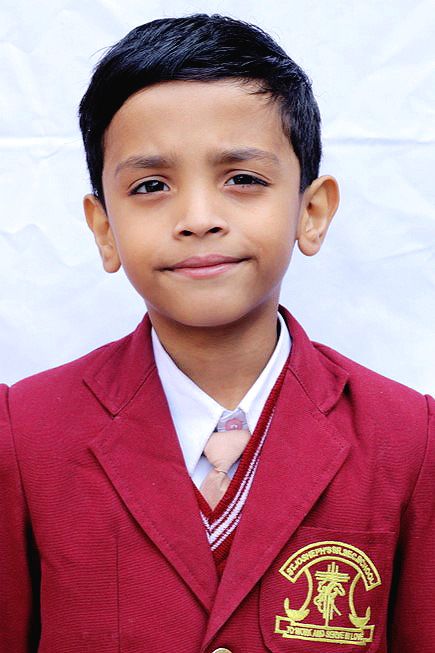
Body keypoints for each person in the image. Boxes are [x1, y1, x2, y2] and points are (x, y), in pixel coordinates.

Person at [0, 13, 433, 653]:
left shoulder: (410, 438)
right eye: (151, 185)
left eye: (243, 179)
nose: (199, 218)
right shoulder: (23, 433)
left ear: (311, 212)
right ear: (104, 229)